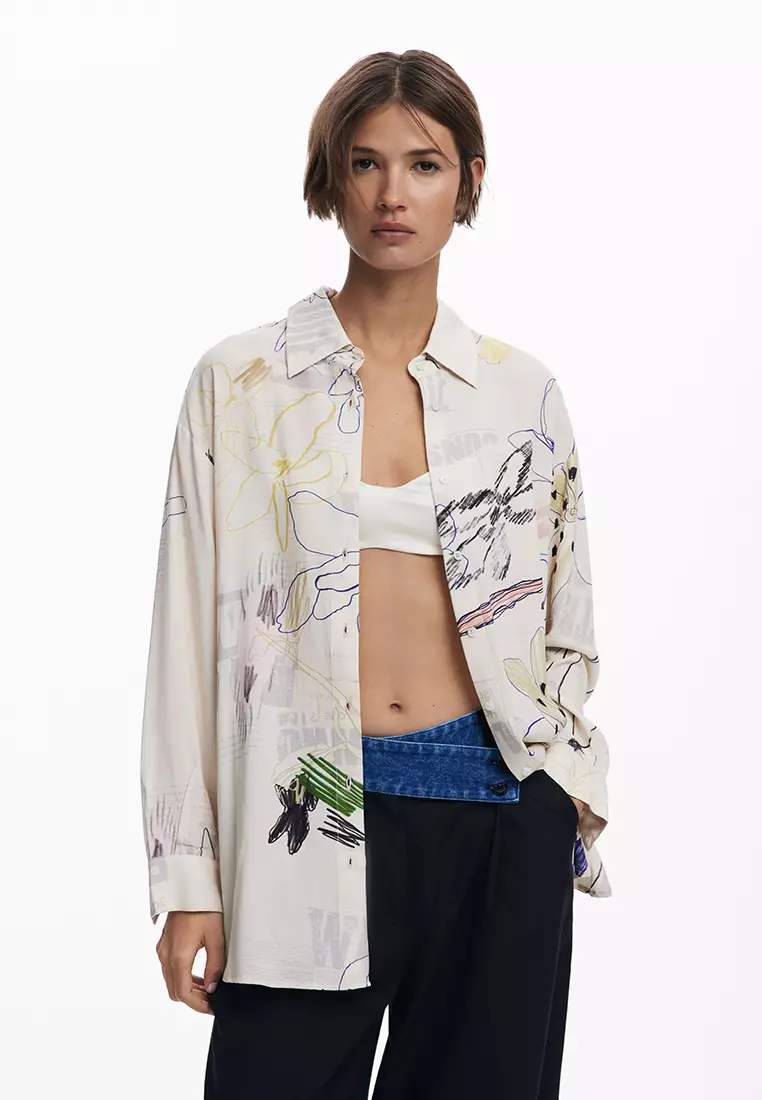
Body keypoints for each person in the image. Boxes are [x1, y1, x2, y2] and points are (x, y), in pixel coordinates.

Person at [140, 48, 612, 1100]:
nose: (394, 193)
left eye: (425, 164)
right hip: (306, 812)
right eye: (366, 163)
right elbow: (183, 642)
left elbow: (566, 621)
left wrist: (563, 797)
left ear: (469, 182)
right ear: (331, 180)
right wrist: (187, 874)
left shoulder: (522, 393)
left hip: (499, 815)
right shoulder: (242, 384)